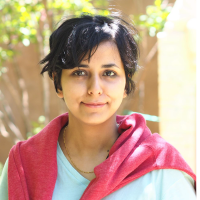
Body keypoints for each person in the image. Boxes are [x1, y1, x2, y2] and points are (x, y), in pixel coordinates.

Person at [0, 13, 197, 200]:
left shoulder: (161, 169)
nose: (94, 89)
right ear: (58, 83)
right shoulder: (23, 164)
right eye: (79, 72)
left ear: (126, 85)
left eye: (109, 73)